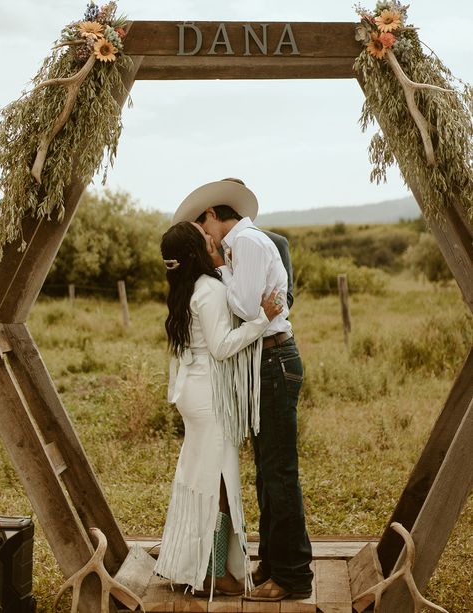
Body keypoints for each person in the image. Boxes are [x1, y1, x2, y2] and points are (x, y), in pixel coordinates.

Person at [172, 179, 313, 602]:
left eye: (204, 228)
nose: (206, 240)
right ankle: (274, 565)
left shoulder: (247, 243)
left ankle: (292, 576)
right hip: (263, 362)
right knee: (268, 474)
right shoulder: (241, 248)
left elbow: (249, 309)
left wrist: (218, 270)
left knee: (279, 473)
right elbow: (249, 304)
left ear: (213, 216)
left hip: (273, 360)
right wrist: (224, 270)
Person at [154, 221, 283, 599]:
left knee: (199, 478)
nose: (215, 241)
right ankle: (215, 573)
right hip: (208, 396)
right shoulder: (207, 290)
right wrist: (261, 319)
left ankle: (191, 564)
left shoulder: (186, 289)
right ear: (196, 252)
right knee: (218, 483)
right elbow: (223, 346)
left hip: (195, 392)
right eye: (207, 238)